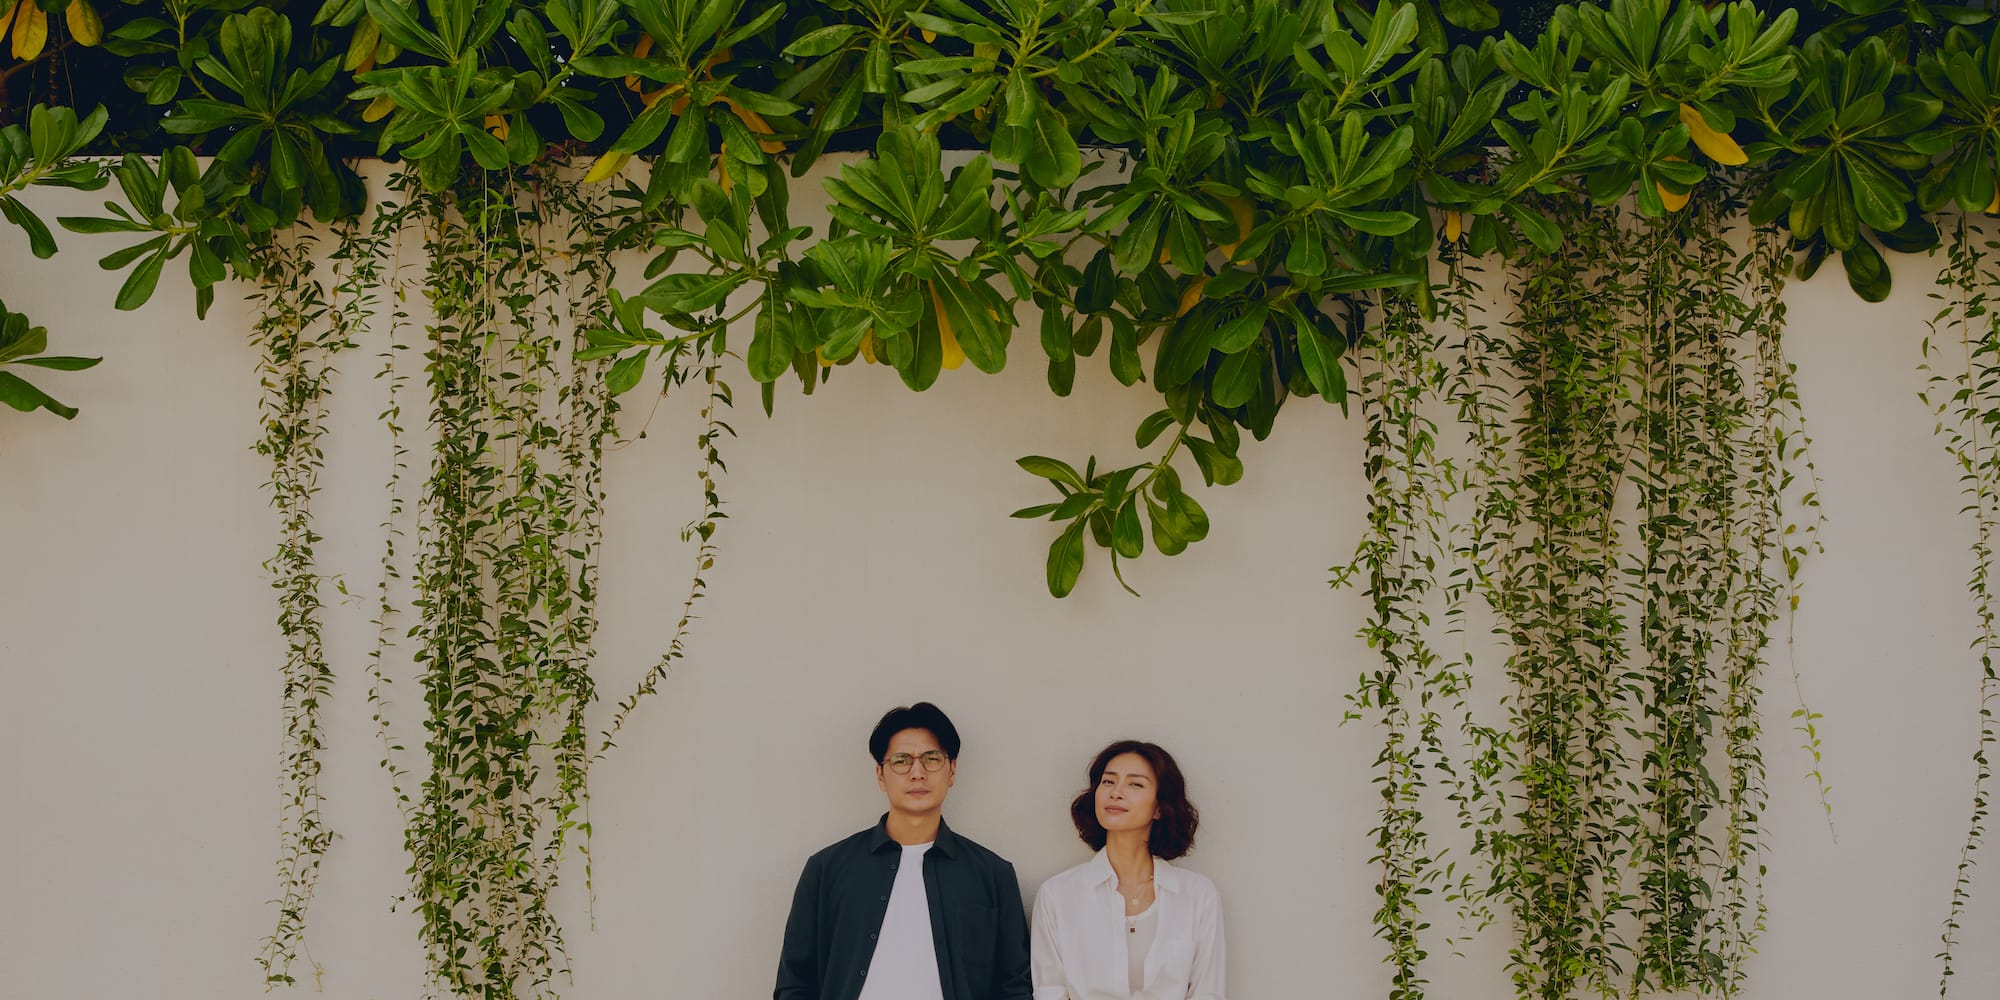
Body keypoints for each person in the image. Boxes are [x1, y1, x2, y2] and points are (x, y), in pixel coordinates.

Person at [775, 701, 1033, 1000]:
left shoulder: (992, 874)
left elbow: (1013, 985)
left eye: (932, 759)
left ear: (952, 771)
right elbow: (795, 982)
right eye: (901, 760)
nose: (917, 773)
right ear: (880, 775)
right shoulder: (826, 869)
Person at [1030, 740, 1224, 1000]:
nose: (1116, 792)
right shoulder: (1057, 895)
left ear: (1159, 807)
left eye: (1136, 784)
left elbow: (1207, 993)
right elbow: (1049, 992)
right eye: (1108, 781)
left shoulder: (1198, 895)